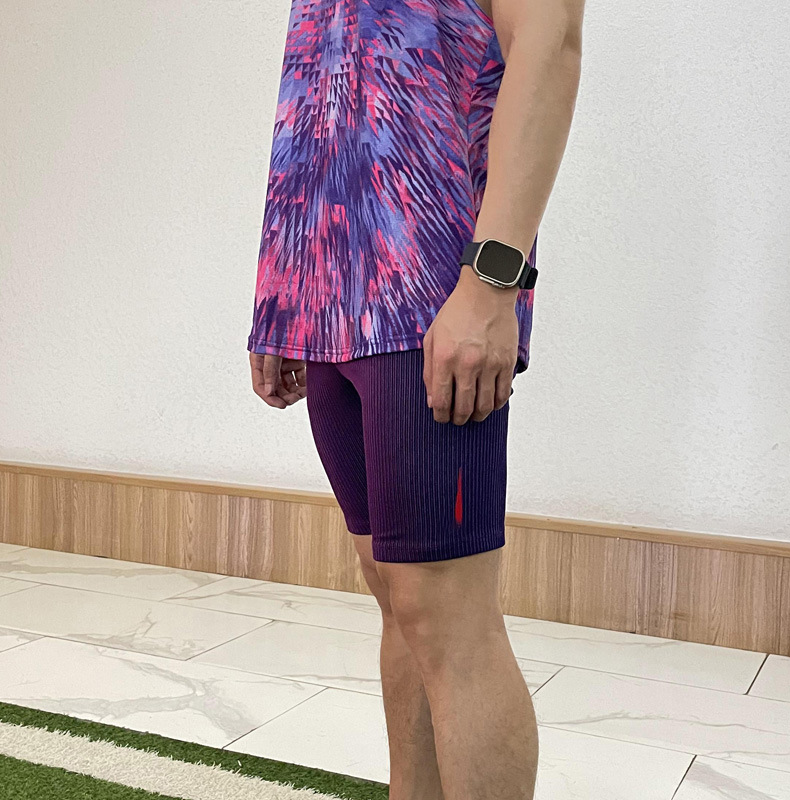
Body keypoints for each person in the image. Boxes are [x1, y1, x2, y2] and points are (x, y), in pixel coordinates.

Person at [247, 1, 584, 797]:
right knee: (396, 595)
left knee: (447, 615)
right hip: (330, 294)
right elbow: (324, 77)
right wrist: (285, 288)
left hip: (432, 292)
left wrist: (492, 282)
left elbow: (551, 44)